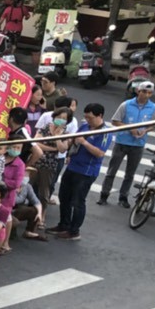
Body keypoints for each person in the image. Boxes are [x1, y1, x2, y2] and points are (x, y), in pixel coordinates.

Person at [52, 103, 113, 241]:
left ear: (100, 116)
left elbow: (100, 153)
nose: (88, 120)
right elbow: (72, 143)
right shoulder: (84, 127)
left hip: (86, 172)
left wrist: (84, 142)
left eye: (90, 117)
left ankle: (74, 231)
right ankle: (64, 224)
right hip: (73, 166)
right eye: (86, 117)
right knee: (64, 196)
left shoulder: (104, 133)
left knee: (78, 201)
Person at [100, 80, 155, 208]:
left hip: (138, 144)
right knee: (112, 171)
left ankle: (123, 196)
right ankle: (104, 194)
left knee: (130, 174)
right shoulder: (126, 105)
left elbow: (153, 126)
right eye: (144, 92)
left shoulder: (153, 108)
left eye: (149, 93)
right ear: (138, 91)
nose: (146, 95)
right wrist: (130, 128)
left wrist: (145, 131)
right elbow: (115, 121)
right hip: (122, 142)